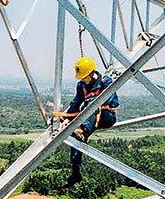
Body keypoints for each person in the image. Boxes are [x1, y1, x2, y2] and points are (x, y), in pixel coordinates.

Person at [51, 56, 118, 185]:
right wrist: (64, 116)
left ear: (92, 74)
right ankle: (76, 171)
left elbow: (107, 101)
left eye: (84, 77)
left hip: (106, 116)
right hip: (89, 118)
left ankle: (83, 129)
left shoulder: (106, 82)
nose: (83, 80)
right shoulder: (81, 85)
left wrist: (88, 105)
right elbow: (76, 103)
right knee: (76, 135)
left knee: (92, 105)